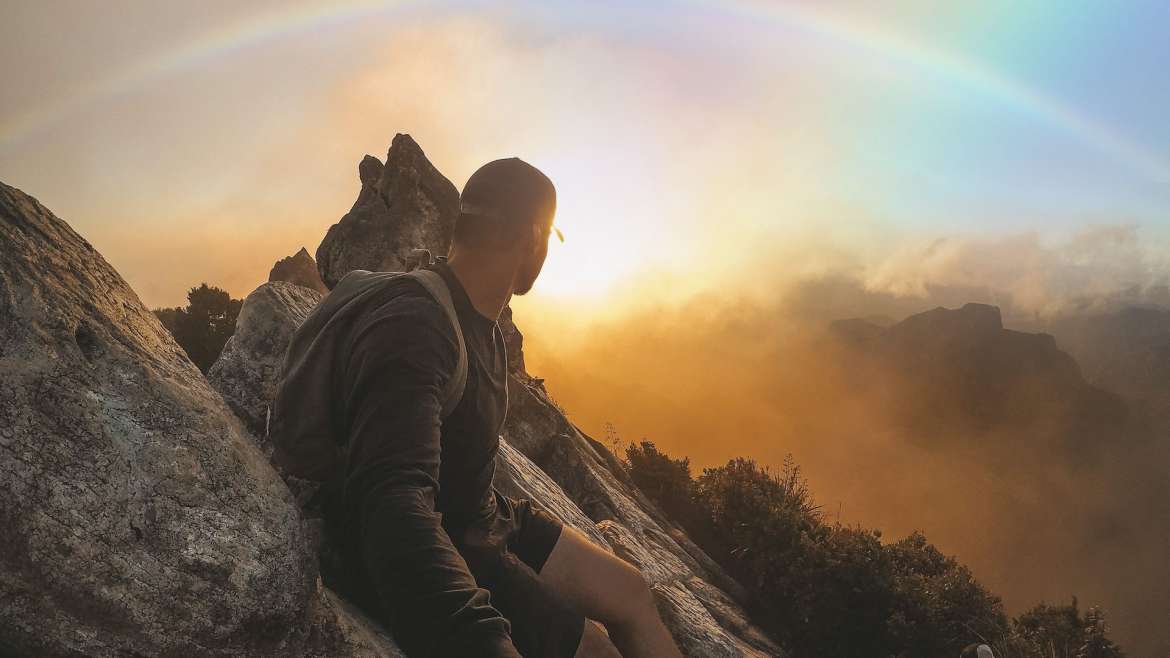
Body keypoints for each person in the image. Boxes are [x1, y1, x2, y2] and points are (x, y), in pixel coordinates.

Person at [269, 157, 683, 658]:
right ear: (534, 236)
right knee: (594, 651)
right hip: (440, 534)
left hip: (480, 512)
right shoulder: (416, 327)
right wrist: (478, 636)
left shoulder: (480, 320)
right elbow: (392, 503)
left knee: (630, 592)